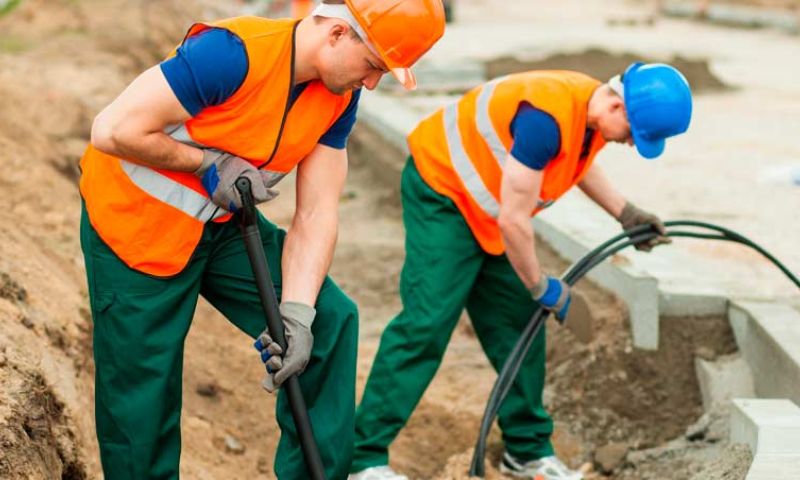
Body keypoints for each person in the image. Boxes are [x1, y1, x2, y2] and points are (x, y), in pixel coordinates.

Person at [78, 0, 445, 478]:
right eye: (373, 65)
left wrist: (295, 315)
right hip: (136, 227)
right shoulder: (232, 55)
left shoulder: (338, 94)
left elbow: (316, 211)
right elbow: (111, 129)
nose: (372, 82)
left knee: (327, 323)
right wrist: (206, 163)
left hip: (223, 226)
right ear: (336, 34)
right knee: (142, 394)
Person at [349, 63, 693, 480]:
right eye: (634, 134)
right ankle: (363, 459)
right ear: (617, 104)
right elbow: (514, 221)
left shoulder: (590, 111)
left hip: (491, 207)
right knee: (426, 324)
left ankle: (527, 451)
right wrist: (541, 286)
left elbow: (576, 162)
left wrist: (625, 214)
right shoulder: (544, 121)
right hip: (445, 194)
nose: (632, 145)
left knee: (520, 326)